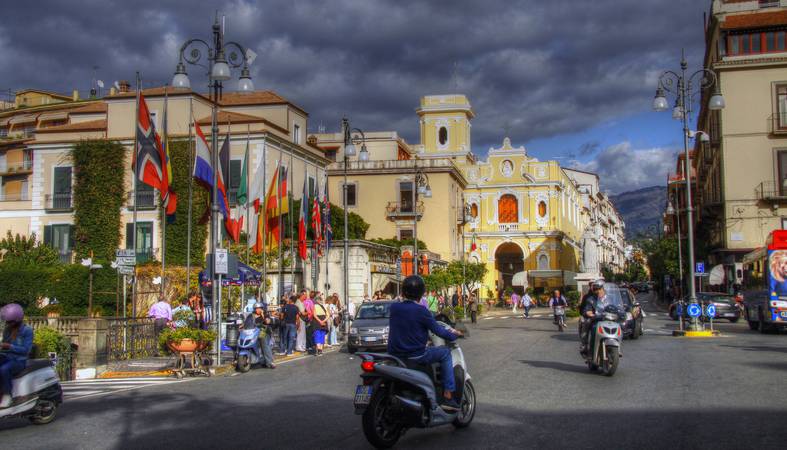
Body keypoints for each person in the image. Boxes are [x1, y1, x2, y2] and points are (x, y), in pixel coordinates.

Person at [388, 275, 463, 411]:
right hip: (416, 355)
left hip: (395, 355)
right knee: (445, 353)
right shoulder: (422, 311)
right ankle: (448, 395)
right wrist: (454, 335)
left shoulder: (394, 308)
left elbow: (408, 326)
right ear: (421, 293)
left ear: (403, 291)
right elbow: (438, 330)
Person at [0, 303, 33, 408]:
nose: (8, 323)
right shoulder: (7, 330)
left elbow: (26, 350)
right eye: (7, 321)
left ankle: (7, 395)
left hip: (19, 361)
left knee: (4, 369)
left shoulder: (27, 331)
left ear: (17, 320)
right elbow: (4, 346)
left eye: (10, 322)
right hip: (7, 357)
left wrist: (9, 346)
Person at [242, 303, 276, 368]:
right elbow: (246, 322)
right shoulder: (251, 315)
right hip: (253, 332)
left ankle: (270, 362)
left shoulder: (265, 314)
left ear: (262, 309)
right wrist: (242, 326)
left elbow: (267, 321)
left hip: (264, 332)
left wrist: (263, 315)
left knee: (264, 343)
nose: (258, 310)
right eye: (256, 308)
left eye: (259, 308)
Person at [579, 280, 608, 356]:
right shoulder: (590, 299)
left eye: (599, 288)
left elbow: (617, 306)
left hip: (608, 319)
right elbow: (586, 309)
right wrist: (588, 312)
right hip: (596, 319)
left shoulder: (610, 298)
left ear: (603, 288)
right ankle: (585, 345)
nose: (597, 291)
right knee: (586, 323)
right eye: (595, 289)